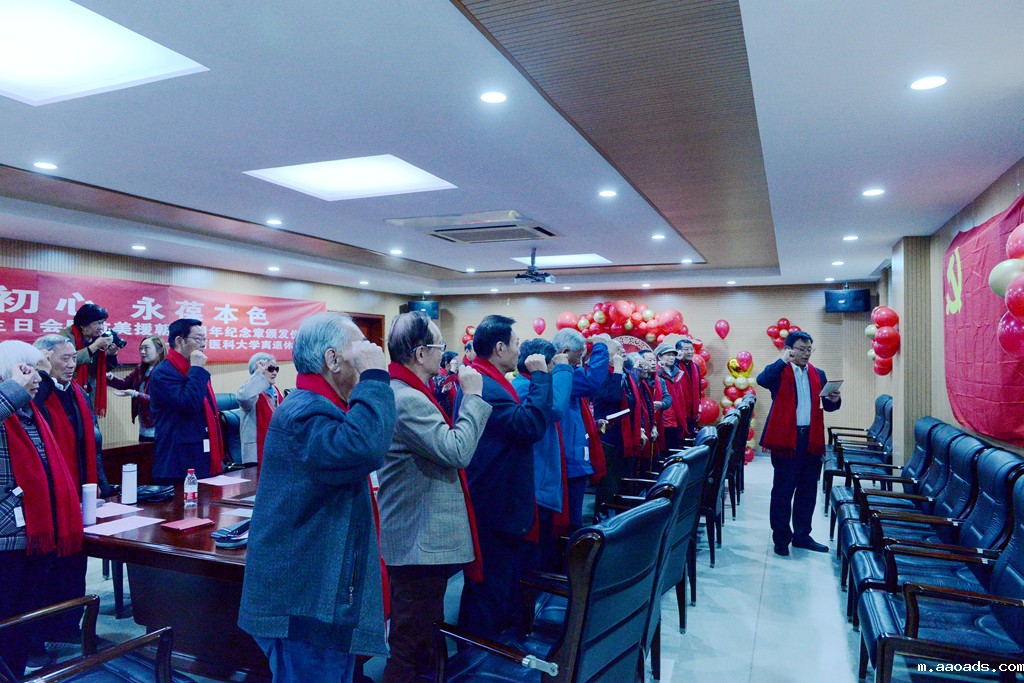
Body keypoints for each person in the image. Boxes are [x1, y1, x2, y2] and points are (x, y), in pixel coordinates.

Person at [239, 312, 396, 683]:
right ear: (332, 359)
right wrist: (375, 376)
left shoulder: (320, 406)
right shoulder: (304, 412)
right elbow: (364, 447)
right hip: (304, 600)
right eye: (358, 347)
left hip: (317, 591)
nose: (367, 353)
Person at [377, 311, 491, 683]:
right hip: (417, 540)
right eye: (439, 346)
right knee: (409, 643)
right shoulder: (406, 398)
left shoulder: (408, 391)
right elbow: (457, 450)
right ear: (421, 353)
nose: (444, 353)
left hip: (420, 537)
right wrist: (474, 397)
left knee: (423, 633)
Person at [459, 315, 552, 639]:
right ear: (499, 348)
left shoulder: (491, 380)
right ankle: (478, 654)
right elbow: (530, 426)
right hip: (493, 503)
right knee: (488, 590)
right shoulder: (486, 387)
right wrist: (540, 376)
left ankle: (491, 645)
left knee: (498, 584)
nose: (519, 350)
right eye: (515, 343)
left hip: (499, 500)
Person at [0, 341, 84, 678]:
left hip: (35, 531)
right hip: (7, 536)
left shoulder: (29, 412)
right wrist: (12, 388)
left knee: (24, 619)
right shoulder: (8, 406)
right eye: (31, 371)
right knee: (7, 618)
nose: (38, 379)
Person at [756, 331, 841, 556]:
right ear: (789, 349)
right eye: (801, 349)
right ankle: (781, 538)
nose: (806, 353)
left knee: (807, 490)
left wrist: (835, 400)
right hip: (786, 440)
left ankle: (802, 536)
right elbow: (761, 380)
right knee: (783, 491)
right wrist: (783, 360)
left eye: (809, 349)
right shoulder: (779, 372)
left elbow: (828, 406)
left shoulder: (818, 374)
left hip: (811, 439)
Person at [511, 339, 573, 571]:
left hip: (541, 481)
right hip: (535, 485)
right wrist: (564, 369)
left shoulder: (528, 385)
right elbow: (555, 408)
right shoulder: (524, 387)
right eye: (551, 364)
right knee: (532, 558)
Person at [148, 318, 224, 483]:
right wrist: (196, 368)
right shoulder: (163, 372)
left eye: (204, 339)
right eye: (198, 339)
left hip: (202, 457)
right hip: (177, 463)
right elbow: (189, 404)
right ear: (179, 341)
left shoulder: (194, 370)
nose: (203, 344)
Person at [550, 328, 610, 530]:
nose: (580, 362)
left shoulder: (566, 373)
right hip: (569, 457)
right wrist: (600, 348)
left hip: (573, 453)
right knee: (570, 520)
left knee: (573, 516)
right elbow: (592, 382)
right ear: (565, 352)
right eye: (579, 356)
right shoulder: (561, 374)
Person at [593, 340, 636, 513]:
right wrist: (617, 369)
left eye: (622, 348)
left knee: (619, 479)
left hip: (622, 434)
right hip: (608, 435)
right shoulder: (604, 373)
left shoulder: (626, 374)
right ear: (609, 357)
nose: (623, 351)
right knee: (609, 482)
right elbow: (613, 397)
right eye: (618, 349)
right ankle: (604, 515)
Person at [59, 303, 121, 416]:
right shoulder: (66, 336)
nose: (101, 327)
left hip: (91, 391)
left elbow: (103, 368)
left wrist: (112, 354)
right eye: (98, 323)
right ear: (83, 325)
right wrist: (95, 346)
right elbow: (67, 360)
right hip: (70, 388)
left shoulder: (98, 337)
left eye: (103, 323)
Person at [107, 335, 166, 442]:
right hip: (144, 426)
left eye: (146, 348)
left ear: (160, 350)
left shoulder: (165, 371)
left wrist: (135, 394)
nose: (142, 352)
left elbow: (158, 401)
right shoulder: (140, 369)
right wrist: (110, 377)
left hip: (161, 428)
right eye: (141, 348)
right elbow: (125, 384)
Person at [236, 352, 283, 467]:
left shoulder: (277, 391)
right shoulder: (250, 392)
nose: (275, 372)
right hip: (255, 454)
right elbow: (243, 397)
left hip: (277, 448)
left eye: (276, 369)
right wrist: (258, 374)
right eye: (270, 369)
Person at [431, 350, 460, 418]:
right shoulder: (439, 374)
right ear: (447, 363)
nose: (457, 365)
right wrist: (452, 370)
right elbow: (442, 384)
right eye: (455, 363)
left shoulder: (454, 375)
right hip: (444, 413)